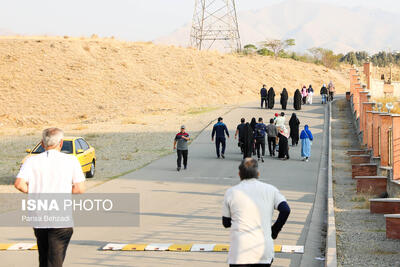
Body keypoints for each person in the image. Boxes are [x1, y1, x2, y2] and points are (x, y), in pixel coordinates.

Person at [14, 128, 86, 267]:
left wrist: (35, 191)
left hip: (39, 216)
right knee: (55, 260)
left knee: (44, 257)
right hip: (60, 217)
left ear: (42, 143)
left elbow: (19, 184)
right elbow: (79, 188)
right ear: (61, 143)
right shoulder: (71, 160)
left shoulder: (31, 161)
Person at [222, 158, 290, 267]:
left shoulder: (231, 192)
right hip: (263, 251)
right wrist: (275, 230)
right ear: (258, 173)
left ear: (239, 174)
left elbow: (226, 223)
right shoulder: (271, 190)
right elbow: (285, 209)